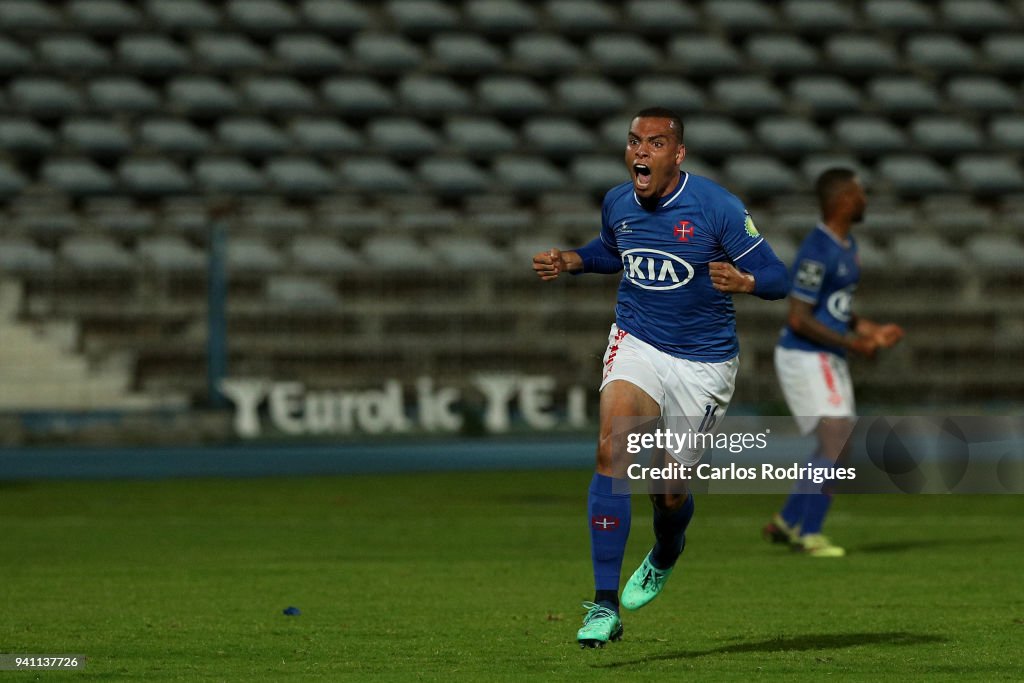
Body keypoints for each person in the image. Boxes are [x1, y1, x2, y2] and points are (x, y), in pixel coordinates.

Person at [532, 107, 789, 648]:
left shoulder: (717, 207)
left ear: (678, 153)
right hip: (638, 341)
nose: (640, 152)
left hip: (704, 363)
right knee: (612, 451)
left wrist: (744, 281)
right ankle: (603, 606)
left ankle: (668, 550)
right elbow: (615, 251)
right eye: (633, 142)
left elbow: (777, 276)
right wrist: (575, 260)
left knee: (667, 491)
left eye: (654, 143)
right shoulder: (617, 202)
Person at [763, 167, 904, 558]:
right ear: (842, 200)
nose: (865, 200)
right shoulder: (818, 250)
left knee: (838, 443)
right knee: (837, 438)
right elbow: (798, 317)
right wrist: (855, 345)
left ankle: (789, 520)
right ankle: (809, 533)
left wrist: (869, 329)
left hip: (827, 354)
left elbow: (834, 308)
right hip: (806, 353)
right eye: (860, 194)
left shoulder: (846, 245)